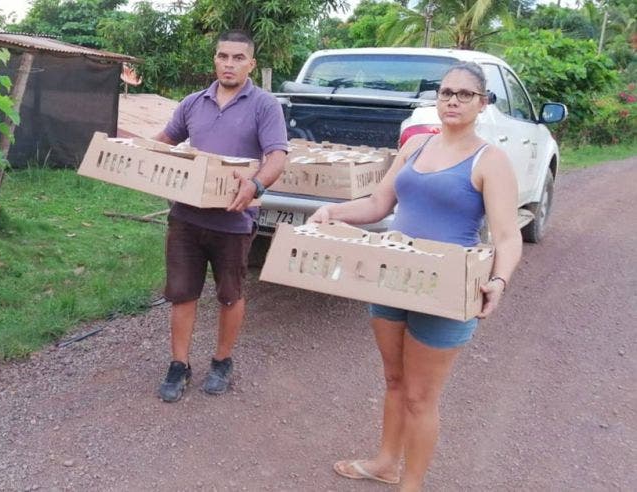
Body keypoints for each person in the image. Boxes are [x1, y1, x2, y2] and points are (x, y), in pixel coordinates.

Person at [308, 62, 522, 490]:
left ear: (482, 103)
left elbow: (506, 234)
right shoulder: (415, 147)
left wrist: (498, 282)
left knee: (421, 397)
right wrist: (332, 212)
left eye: (465, 94)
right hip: (392, 277)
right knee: (394, 380)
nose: (453, 101)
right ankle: (386, 463)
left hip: (444, 291)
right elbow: (377, 205)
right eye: (446, 92)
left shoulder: (491, 160)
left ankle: (412, 484)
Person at [152, 30, 288, 402]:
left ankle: (222, 360)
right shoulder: (194, 102)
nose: (229, 64)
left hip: (233, 219)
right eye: (223, 56)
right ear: (214, 59)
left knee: (230, 294)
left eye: (238, 58)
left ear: (251, 64)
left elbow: (277, 155)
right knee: (182, 293)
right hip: (186, 217)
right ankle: (179, 364)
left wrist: (256, 186)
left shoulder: (264, 106)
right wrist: (136, 154)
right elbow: (164, 140)